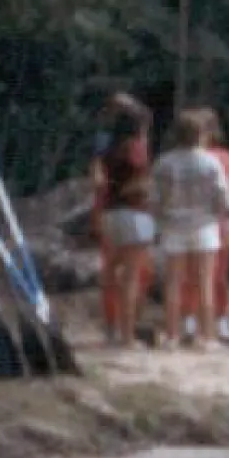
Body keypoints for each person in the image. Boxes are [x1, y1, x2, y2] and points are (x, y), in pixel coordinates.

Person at [153, 107, 229, 350]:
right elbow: (224, 197)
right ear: (200, 134)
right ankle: (207, 337)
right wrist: (217, 213)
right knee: (205, 282)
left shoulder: (164, 162)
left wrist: (162, 217)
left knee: (174, 283)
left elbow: (155, 198)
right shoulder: (210, 161)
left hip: (174, 225)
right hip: (204, 225)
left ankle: (172, 335)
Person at [92, 91, 158, 349]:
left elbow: (101, 181)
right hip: (134, 213)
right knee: (131, 277)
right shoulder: (136, 148)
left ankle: (111, 326)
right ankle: (127, 335)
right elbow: (138, 183)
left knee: (111, 271)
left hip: (110, 213)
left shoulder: (107, 149)